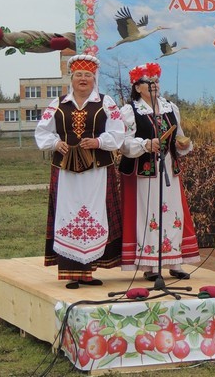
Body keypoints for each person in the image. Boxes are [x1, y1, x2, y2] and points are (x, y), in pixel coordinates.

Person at [35, 54, 125, 289]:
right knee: (68, 213)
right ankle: (71, 271)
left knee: (96, 214)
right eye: (79, 75)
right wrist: (56, 143)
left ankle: (89, 271)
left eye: (87, 75)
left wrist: (98, 142)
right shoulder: (58, 103)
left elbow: (118, 132)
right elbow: (42, 132)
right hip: (66, 171)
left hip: (97, 169)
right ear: (71, 78)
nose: (83, 79)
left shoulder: (107, 103)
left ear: (94, 79)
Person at [119, 62, 199, 280]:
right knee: (150, 214)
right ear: (137, 87)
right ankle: (151, 265)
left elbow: (179, 135)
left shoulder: (170, 108)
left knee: (174, 213)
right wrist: (145, 145)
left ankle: (175, 261)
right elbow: (123, 144)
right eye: (148, 81)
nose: (154, 85)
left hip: (168, 168)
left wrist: (183, 145)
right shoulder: (130, 111)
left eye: (156, 80)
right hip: (145, 172)